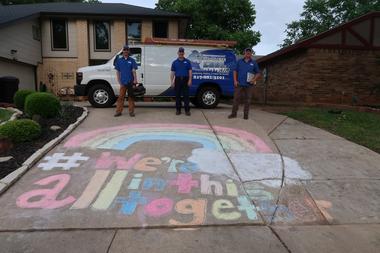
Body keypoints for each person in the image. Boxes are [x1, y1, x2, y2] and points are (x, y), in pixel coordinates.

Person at [228, 48, 261, 120]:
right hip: (239, 84)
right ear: (244, 53)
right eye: (247, 52)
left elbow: (258, 73)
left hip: (249, 85)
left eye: (249, 52)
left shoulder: (254, 63)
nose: (248, 53)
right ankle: (233, 114)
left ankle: (245, 115)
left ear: (251, 54)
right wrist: (235, 81)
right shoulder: (239, 61)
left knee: (248, 100)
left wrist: (254, 79)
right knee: (236, 99)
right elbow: (235, 71)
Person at [114, 45, 138, 117]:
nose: (126, 51)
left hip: (130, 82)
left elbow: (134, 71)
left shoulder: (132, 60)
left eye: (127, 50)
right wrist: (119, 81)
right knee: (121, 97)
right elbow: (118, 72)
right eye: (124, 50)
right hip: (123, 82)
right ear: (123, 51)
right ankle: (118, 112)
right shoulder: (119, 60)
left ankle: (131, 112)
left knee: (131, 97)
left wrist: (135, 80)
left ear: (129, 51)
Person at [170, 47, 192, 116]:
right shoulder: (174, 62)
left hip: (185, 80)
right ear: (178, 53)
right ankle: (178, 110)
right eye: (180, 52)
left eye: (182, 52)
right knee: (178, 96)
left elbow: (190, 72)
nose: (181, 53)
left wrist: (190, 80)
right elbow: (172, 73)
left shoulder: (187, 62)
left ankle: (187, 111)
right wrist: (172, 81)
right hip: (178, 80)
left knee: (186, 96)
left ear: (184, 53)